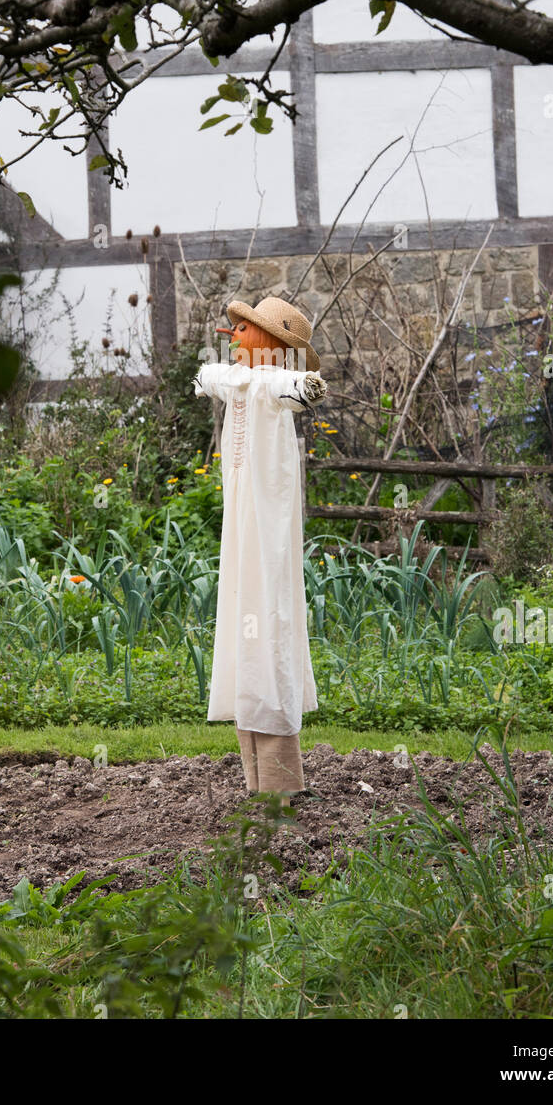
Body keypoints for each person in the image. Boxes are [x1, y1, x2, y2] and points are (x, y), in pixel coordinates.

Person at [193, 296, 327, 797]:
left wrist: (304, 383)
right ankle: (259, 781)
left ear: (269, 341)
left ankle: (279, 780)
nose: (235, 335)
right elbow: (213, 376)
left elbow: (293, 388)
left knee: (269, 605)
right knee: (245, 604)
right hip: (240, 518)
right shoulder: (240, 382)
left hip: (267, 519)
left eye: (244, 329)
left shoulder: (271, 385)